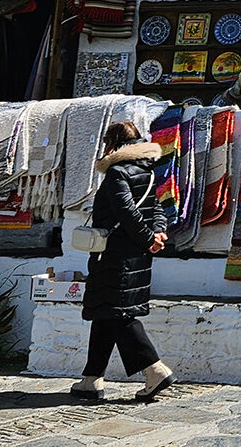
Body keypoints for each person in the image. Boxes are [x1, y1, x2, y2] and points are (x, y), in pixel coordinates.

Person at [72, 121, 175, 401]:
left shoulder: (117, 171)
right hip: (137, 254)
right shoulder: (148, 171)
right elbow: (157, 209)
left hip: (115, 253)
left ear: (112, 143)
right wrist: (157, 233)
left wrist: (147, 237)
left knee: (118, 313)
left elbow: (126, 211)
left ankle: (155, 369)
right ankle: (91, 378)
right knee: (106, 311)